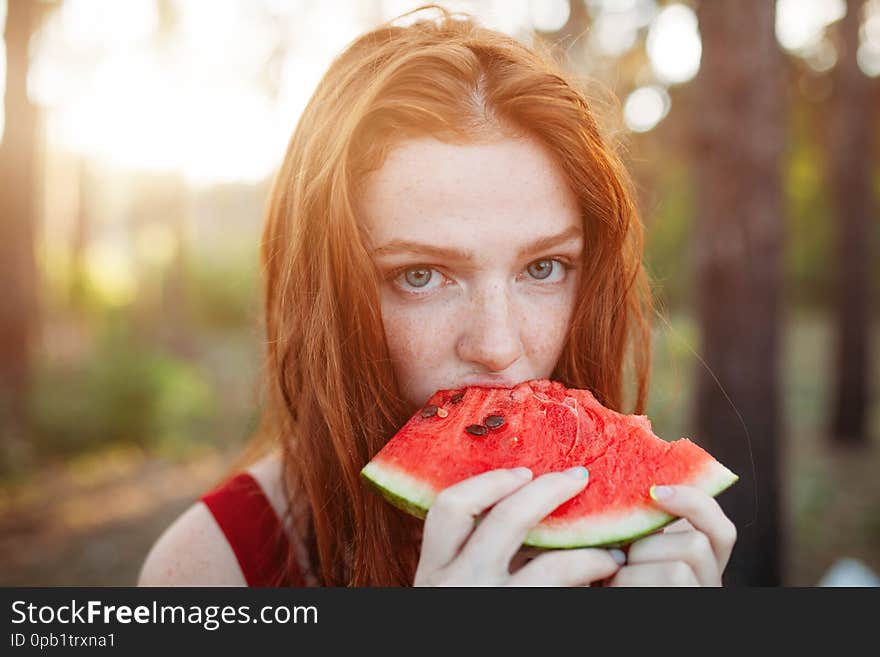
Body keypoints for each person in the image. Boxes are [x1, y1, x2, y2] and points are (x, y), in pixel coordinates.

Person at [138, 5, 736, 587]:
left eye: (545, 267)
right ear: (325, 294)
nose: (499, 348)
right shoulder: (205, 570)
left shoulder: (651, 553)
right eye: (420, 275)